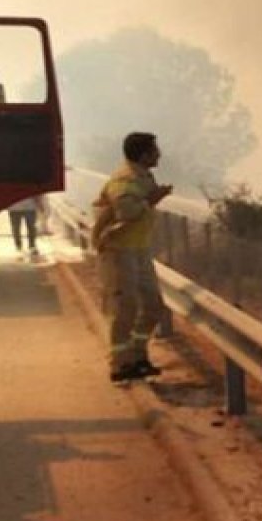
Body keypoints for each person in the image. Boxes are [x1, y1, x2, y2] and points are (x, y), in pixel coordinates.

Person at [92, 132, 173, 383]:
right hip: (119, 251)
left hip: (138, 250)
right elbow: (126, 212)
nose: (159, 154)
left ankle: (137, 356)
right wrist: (152, 200)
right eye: (154, 150)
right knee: (125, 308)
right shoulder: (125, 180)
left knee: (153, 306)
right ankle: (120, 364)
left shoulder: (143, 176)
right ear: (144, 154)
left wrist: (151, 198)